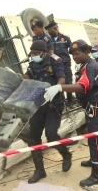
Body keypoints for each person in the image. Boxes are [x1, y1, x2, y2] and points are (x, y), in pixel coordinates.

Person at [44, 39, 98, 187]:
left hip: (97, 104)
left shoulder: (90, 67)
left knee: (95, 139)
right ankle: (93, 161)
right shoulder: (85, 65)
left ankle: (96, 174)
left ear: (87, 52)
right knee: (91, 136)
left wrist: (60, 88)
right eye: (73, 54)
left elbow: (82, 86)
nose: (74, 56)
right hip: (91, 104)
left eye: (77, 53)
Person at [23, 40, 72, 184]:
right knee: (33, 138)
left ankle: (66, 154)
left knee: (51, 135)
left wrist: (57, 87)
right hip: (38, 105)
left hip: (53, 104)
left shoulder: (54, 60)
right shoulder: (32, 64)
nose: (34, 56)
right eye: (32, 53)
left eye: (37, 53)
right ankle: (40, 170)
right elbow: (28, 76)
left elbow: (61, 78)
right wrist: (21, 78)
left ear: (44, 52)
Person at [45, 20, 75, 109]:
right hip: (55, 65)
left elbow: (73, 49)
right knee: (58, 83)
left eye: (49, 30)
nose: (48, 32)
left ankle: (70, 102)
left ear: (55, 29)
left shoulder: (65, 38)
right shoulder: (48, 40)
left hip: (65, 64)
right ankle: (62, 102)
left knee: (69, 83)